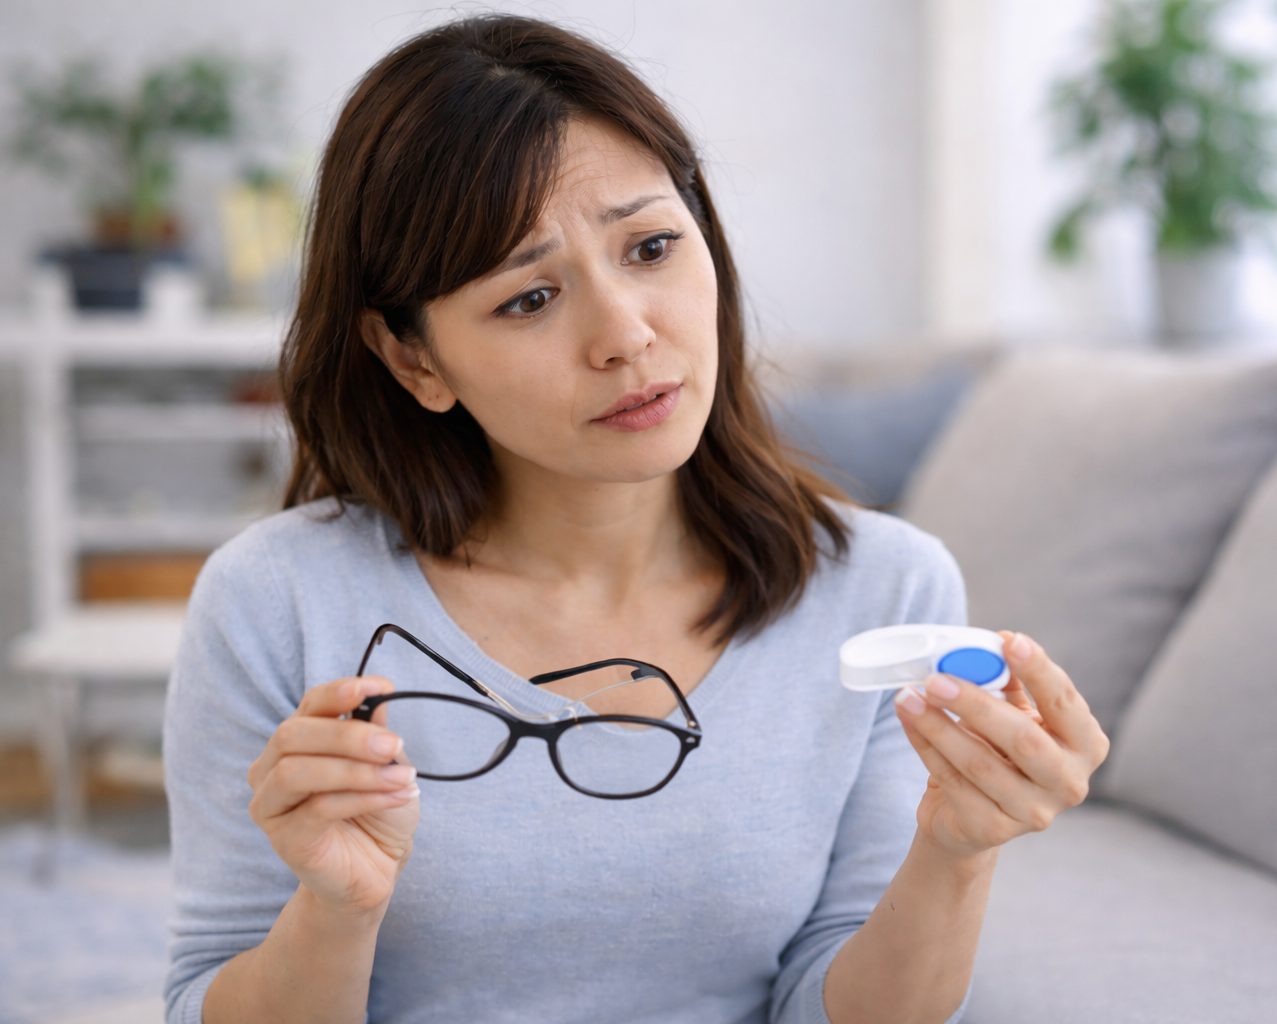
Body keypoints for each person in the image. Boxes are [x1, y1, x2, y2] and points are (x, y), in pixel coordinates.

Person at [162, 16, 1108, 1024]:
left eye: (651, 247)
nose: (625, 333)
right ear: (413, 359)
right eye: (529, 298)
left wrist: (957, 853)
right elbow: (204, 996)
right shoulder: (277, 602)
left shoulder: (886, 590)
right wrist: (335, 913)